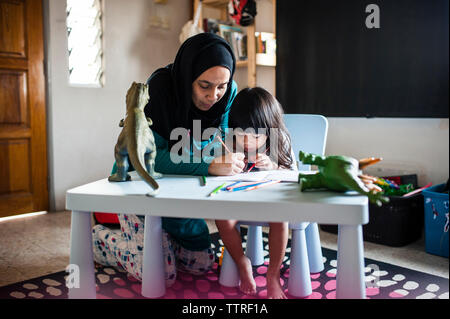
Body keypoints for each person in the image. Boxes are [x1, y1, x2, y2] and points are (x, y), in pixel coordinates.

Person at [92, 33, 245, 287]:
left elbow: (224, 140)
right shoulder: (160, 90)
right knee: (161, 273)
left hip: (182, 192)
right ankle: (100, 241)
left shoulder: (228, 92)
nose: (214, 95)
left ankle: (164, 242)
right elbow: (147, 159)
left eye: (222, 86)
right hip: (140, 189)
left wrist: (236, 156)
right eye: (204, 85)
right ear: (187, 78)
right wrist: (208, 165)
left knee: (202, 264)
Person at [215, 87, 295, 299]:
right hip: (238, 200)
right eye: (242, 134)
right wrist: (226, 165)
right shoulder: (230, 144)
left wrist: (273, 167)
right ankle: (242, 262)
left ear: (270, 130)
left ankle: (272, 275)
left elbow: (293, 175)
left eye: (256, 136)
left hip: (271, 203)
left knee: (280, 220)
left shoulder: (280, 141)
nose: (248, 141)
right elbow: (218, 174)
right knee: (222, 218)